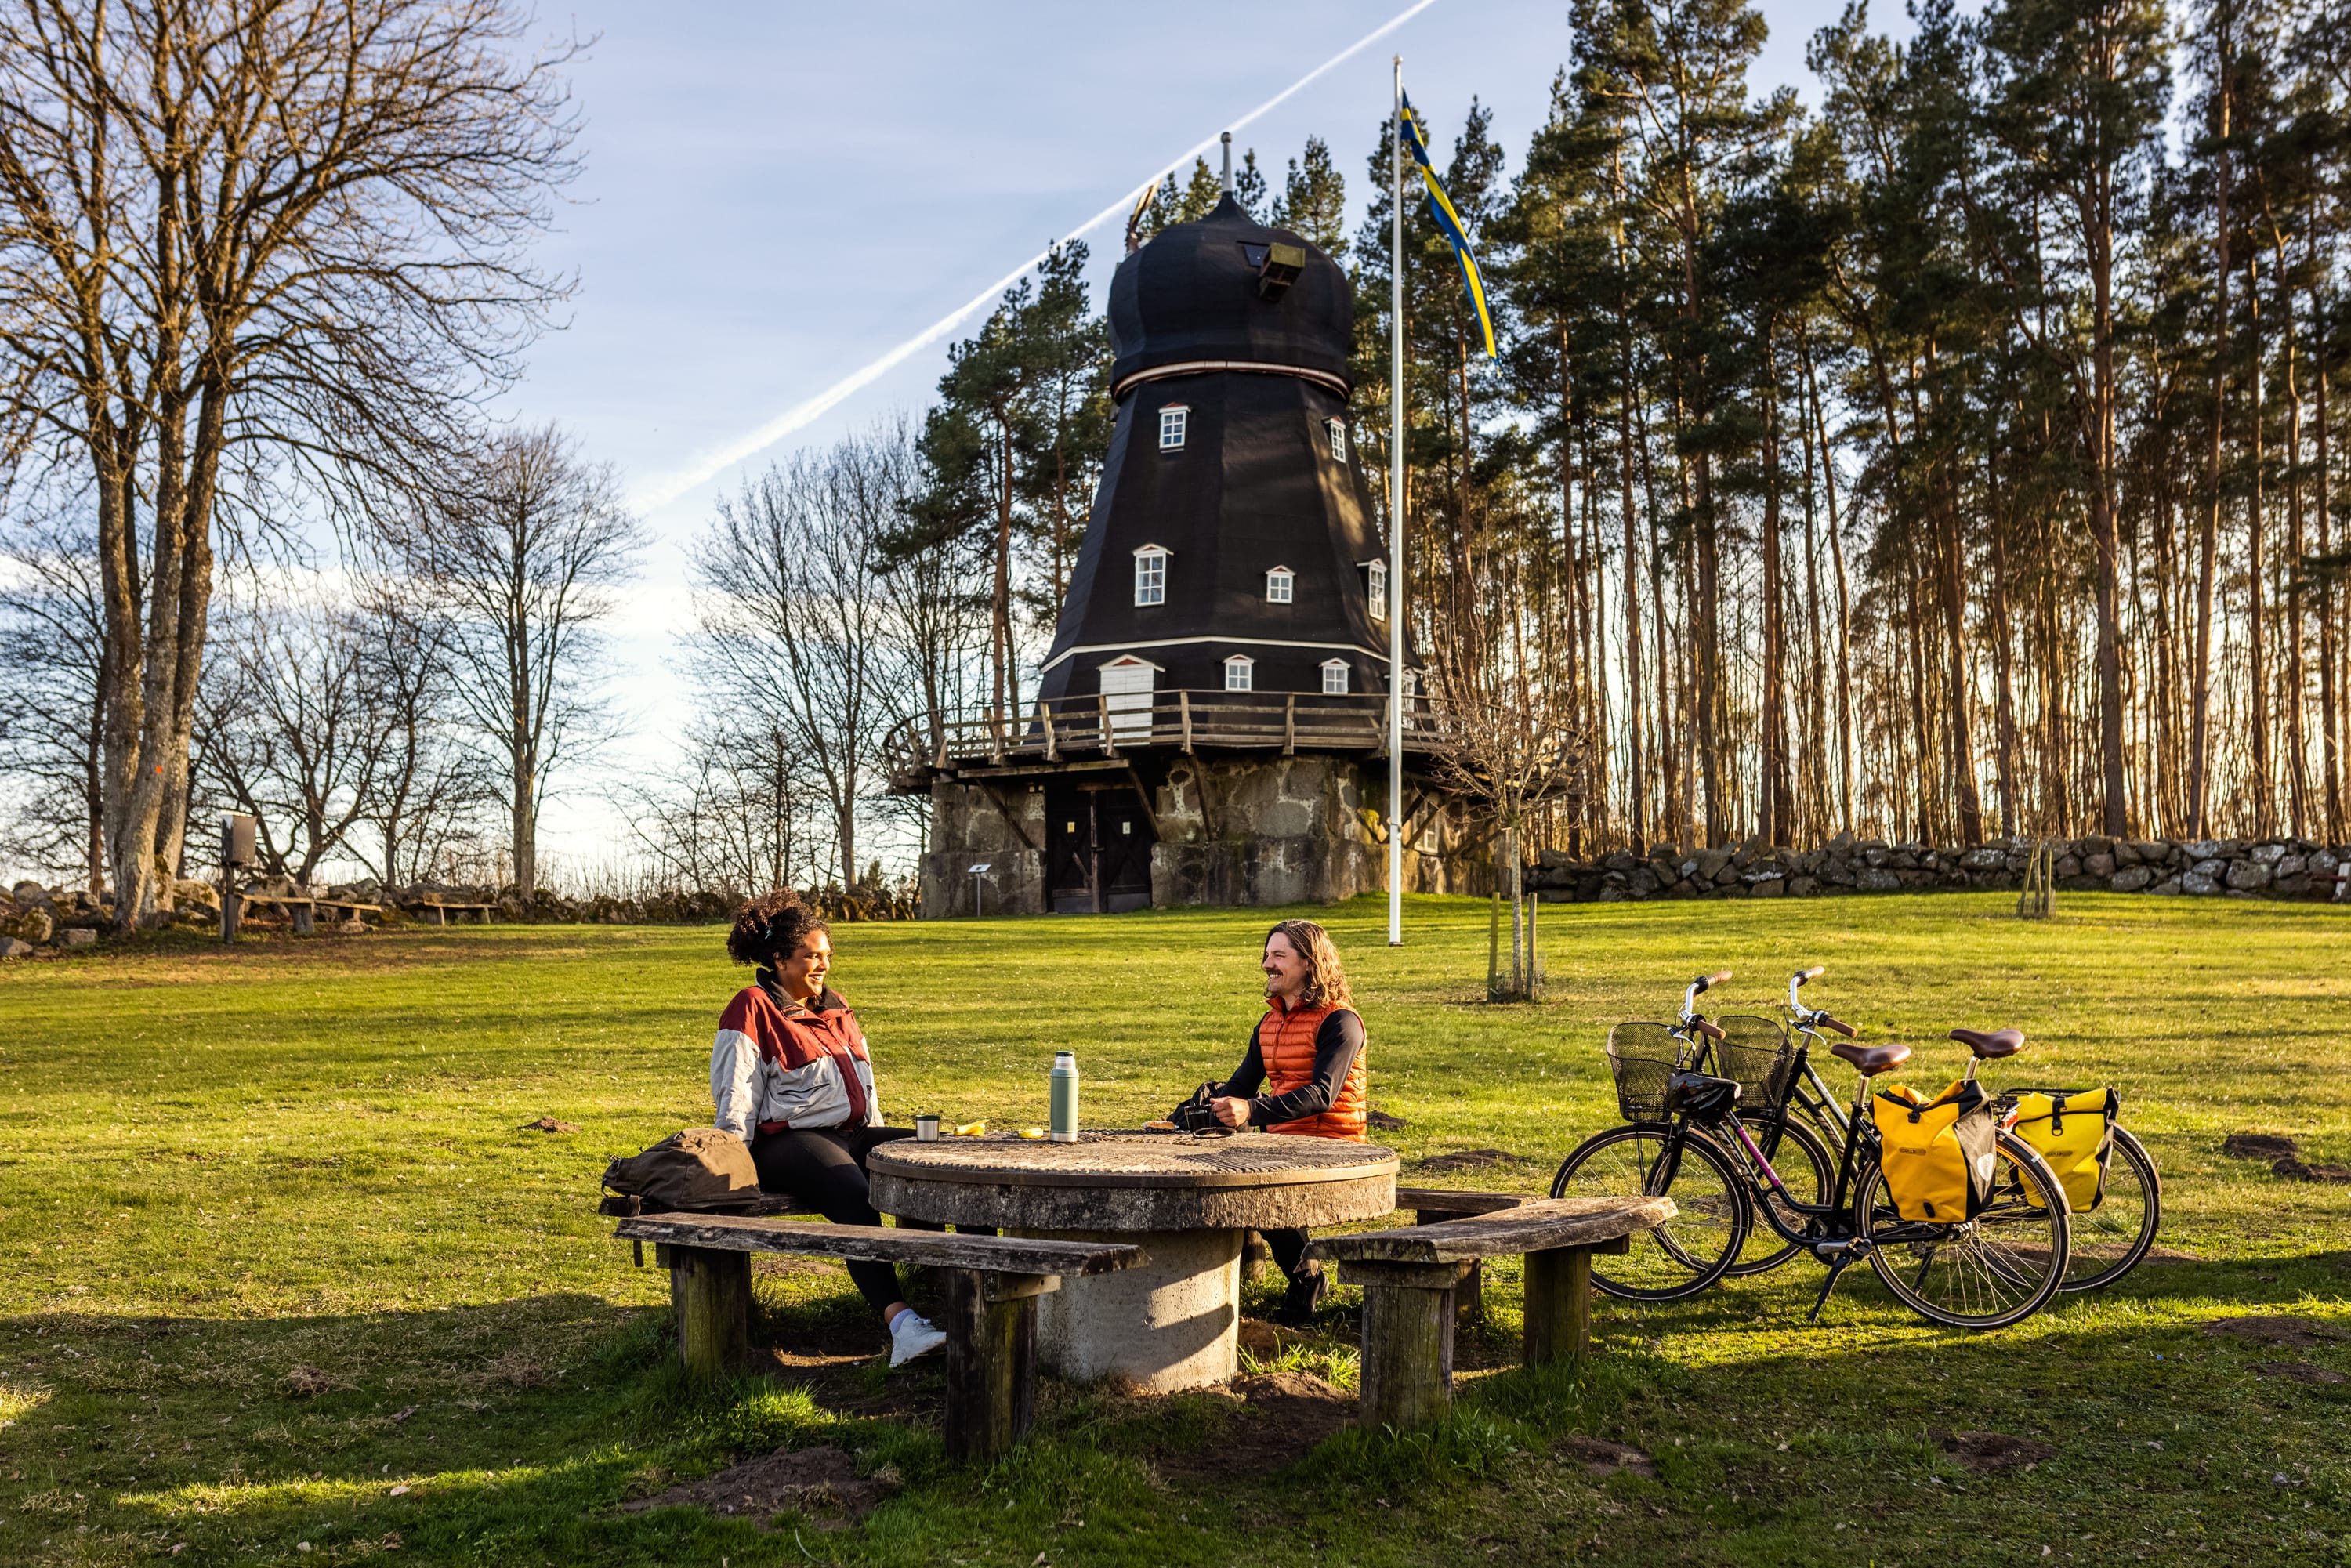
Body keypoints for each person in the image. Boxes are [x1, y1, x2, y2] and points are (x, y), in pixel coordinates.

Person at [710, 889, 946, 1367]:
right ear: (779, 959)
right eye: (810, 956)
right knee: (851, 1190)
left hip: (852, 1133)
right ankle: (903, 1327)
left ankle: (969, 1294)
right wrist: (732, 1159)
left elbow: (866, 1082)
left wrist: (886, 1151)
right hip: (787, 1143)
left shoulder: (836, 1007)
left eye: (827, 956)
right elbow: (736, 1090)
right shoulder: (752, 1007)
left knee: (939, 1154)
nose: (823, 966)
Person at [1206, 918, 1368, 1323]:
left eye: (1279, 955)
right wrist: (1209, 1105)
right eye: (1267, 954)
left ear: (1309, 964)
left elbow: (1322, 1095)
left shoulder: (1341, 1022)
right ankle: (1291, 1276)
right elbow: (1241, 1086)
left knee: (1255, 1185)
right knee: (1219, 1161)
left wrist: (1252, 1110)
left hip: (1333, 1148)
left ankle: (1306, 1278)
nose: (1267, 964)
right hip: (1281, 1146)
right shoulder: (1269, 1024)